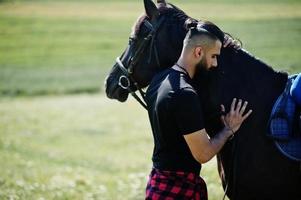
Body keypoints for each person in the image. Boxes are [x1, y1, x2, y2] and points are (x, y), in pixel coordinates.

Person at [145, 21, 253, 200]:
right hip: (178, 188)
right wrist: (229, 129)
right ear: (198, 52)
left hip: (158, 182)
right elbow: (203, 154)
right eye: (214, 56)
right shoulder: (184, 94)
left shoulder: (159, 80)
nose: (216, 63)